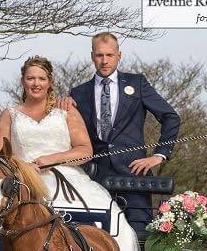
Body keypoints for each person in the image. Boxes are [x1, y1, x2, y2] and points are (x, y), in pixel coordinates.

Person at [0, 56, 145, 251]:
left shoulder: (66, 112)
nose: (36, 83)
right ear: (22, 81)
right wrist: (24, 169)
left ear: (50, 82)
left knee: (111, 216)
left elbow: (85, 150)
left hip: (68, 178)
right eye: (30, 78)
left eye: (41, 78)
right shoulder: (9, 114)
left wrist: (50, 160)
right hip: (24, 180)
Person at [64, 32, 181, 233]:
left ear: (119, 55)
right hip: (94, 179)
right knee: (95, 240)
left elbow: (171, 117)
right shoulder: (78, 93)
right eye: (100, 55)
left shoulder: (137, 84)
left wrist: (159, 156)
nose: (104, 61)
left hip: (134, 177)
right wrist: (62, 105)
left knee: (139, 239)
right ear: (92, 56)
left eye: (109, 55)